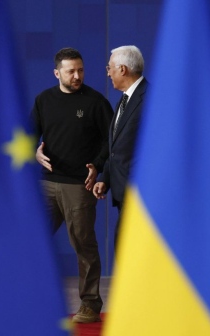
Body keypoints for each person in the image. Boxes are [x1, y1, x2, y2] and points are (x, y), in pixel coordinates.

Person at [32, 47, 113, 323]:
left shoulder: (96, 102)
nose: (77, 75)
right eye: (70, 71)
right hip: (46, 186)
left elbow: (111, 142)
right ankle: (28, 299)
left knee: (83, 245)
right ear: (57, 73)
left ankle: (90, 304)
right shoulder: (43, 100)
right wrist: (35, 152)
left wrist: (98, 165)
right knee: (32, 240)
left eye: (80, 70)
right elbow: (29, 135)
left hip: (80, 186)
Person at [93, 45, 148, 243]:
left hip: (141, 194)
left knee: (126, 247)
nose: (108, 73)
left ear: (122, 69)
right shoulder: (123, 101)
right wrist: (105, 179)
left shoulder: (150, 98)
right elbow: (116, 148)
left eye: (110, 68)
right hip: (122, 191)